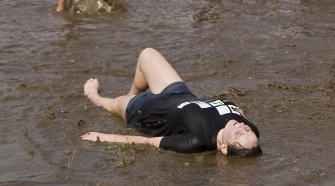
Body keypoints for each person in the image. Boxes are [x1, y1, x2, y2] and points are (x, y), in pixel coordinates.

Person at [81, 48, 261, 156]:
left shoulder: (196, 141)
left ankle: (96, 97)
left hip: (145, 111)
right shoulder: (248, 129)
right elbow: (239, 112)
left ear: (224, 148)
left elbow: (148, 143)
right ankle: (130, 94)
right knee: (147, 54)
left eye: (238, 134)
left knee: (113, 104)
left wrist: (103, 138)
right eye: (247, 129)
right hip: (179, 93)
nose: (241, 127)